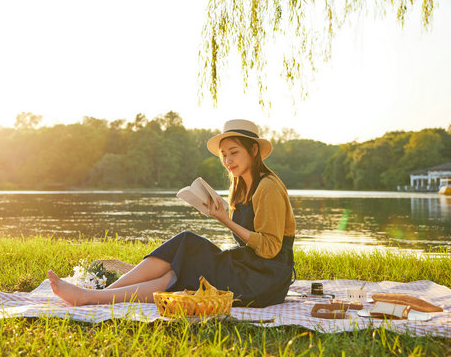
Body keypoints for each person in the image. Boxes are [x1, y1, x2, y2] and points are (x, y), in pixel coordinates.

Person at [47, 119, 296, 307]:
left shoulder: (268, 187)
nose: (228, 160)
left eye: (234, 152)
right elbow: (250, 241)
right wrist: (221, 215)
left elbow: (270, 249)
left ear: (253, 151)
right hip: (249, 267)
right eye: (224, 155)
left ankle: (92, 297)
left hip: (265, 280)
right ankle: (98, 295)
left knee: (187, 257)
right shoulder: (242, 186)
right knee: (185, 249)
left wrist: (224, 220)